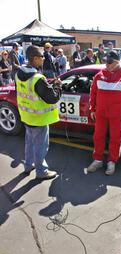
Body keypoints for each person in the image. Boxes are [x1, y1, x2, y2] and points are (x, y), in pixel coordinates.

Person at [87, 51, 121, 175]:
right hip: (101, 113)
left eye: (109, 62)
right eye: (105, 61)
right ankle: (98, 159)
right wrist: (92, 109)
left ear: (117, 62)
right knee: (98, 136)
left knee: (116, 138)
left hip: (117, 115)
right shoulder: (99, 75)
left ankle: (112, 161)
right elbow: (92, 93)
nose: (106, 65)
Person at [16, 45, 62, 180]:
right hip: (39, 119)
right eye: (42, 56)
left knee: (29, 143)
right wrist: (58, 86)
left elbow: (32, 89)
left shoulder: (19, 73)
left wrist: (48, 84)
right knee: (40, 146)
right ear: (35, 58)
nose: (43, 58)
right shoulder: (37, 78)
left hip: (26, 116)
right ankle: (41, 171)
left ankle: (28, 166)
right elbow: (52, 98)